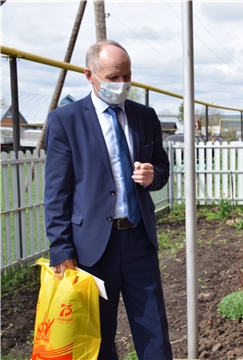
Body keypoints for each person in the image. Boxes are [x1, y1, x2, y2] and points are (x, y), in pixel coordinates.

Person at [44, 40, 173, 359]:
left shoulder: (145, 116)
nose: (122, 84)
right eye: (114, 77)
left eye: (127, 76)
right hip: (90, 250)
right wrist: (61, 249)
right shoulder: (66, 121)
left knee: (154, 333)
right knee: (98, 338)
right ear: (90, 75)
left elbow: (162, 167)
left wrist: (152, 175)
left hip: (139, 241)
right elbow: (57, 192)